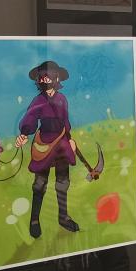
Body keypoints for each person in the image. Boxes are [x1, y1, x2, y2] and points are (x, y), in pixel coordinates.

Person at [15, 61, 81, 239]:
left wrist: (70, 139)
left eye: (49, 76)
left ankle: (63, 217)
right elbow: (30, 118)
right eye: (42, 77)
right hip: (44, 143)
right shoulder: (38, 100)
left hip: (62, 142)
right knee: (39, 183)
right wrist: (24, 134)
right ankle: (34, 220)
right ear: (39, 80)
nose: (46, 80)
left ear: (57, 78)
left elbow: (65, 121)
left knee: (63, 181)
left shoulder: (62, 99)